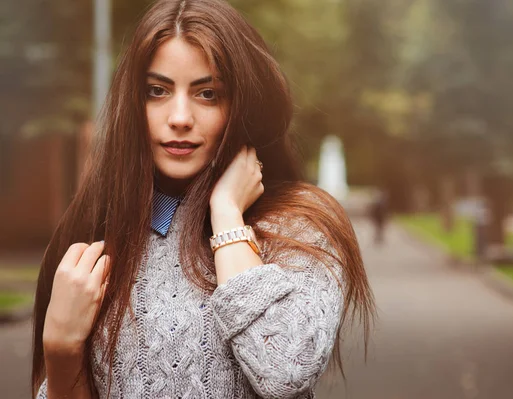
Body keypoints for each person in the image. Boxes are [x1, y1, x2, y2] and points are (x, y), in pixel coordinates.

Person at [31, 0, 375, 398]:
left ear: (241, 106)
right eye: (157, 91)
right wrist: (60, 351)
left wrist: (227, 214)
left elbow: (283, 371)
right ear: (133, 103)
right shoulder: (97, 230)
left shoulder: (300, 226)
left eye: (207, 93)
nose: (180, 116)